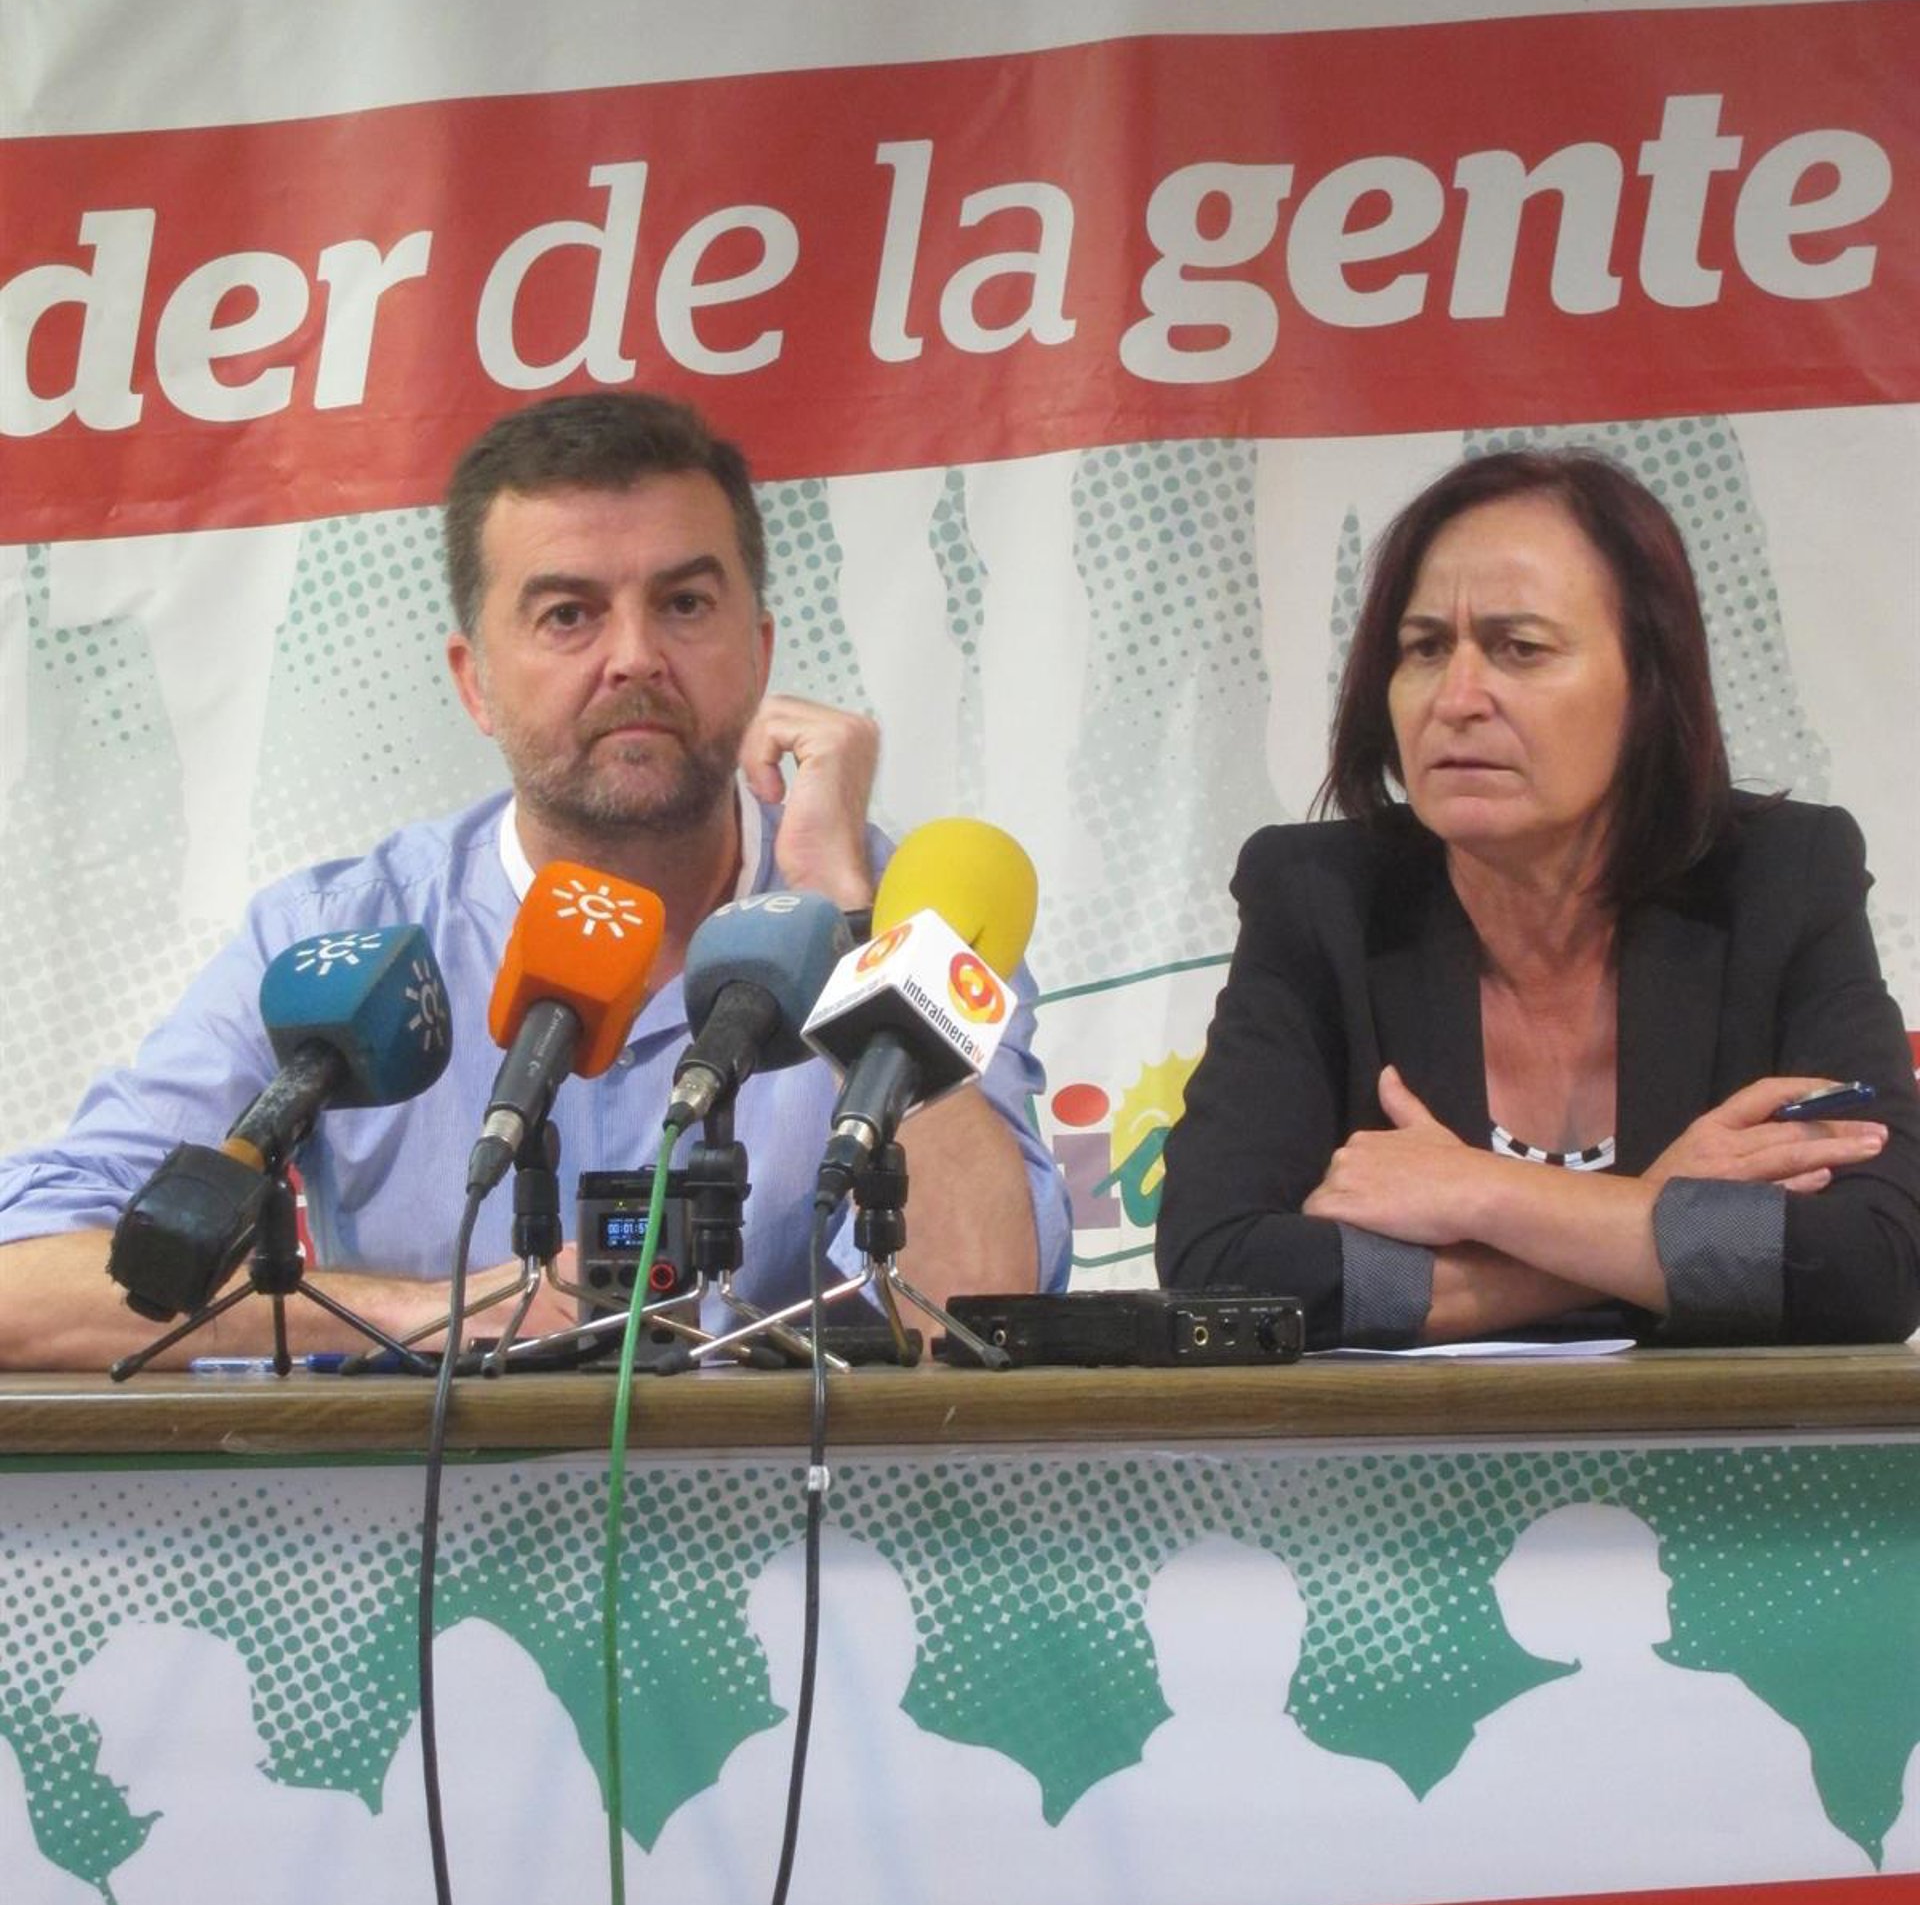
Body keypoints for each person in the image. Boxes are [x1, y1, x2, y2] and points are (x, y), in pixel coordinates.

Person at [0, 393, 1070, 1368]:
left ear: (759, 649)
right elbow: (23, 1278)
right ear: (474, 682)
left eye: (685, 603)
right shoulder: (340, 937)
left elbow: (976, 1304)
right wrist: (431, 1312)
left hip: (802, 1520)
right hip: (438, 1515)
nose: (635, 656)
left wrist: (849, 912)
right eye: (568, 614)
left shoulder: (912, 923)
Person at [1156, 446, 1920, 1347]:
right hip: (1417, 1445)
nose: (1457, 698)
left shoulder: (1782, 879)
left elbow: (1874, 1267)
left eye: (1519, 649)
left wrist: (1484, 1193)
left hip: (1716, 1440)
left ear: (1648, 686)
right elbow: (1219, 1273)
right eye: (1424, 648)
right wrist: (1638, 1221)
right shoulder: (1319, 898)